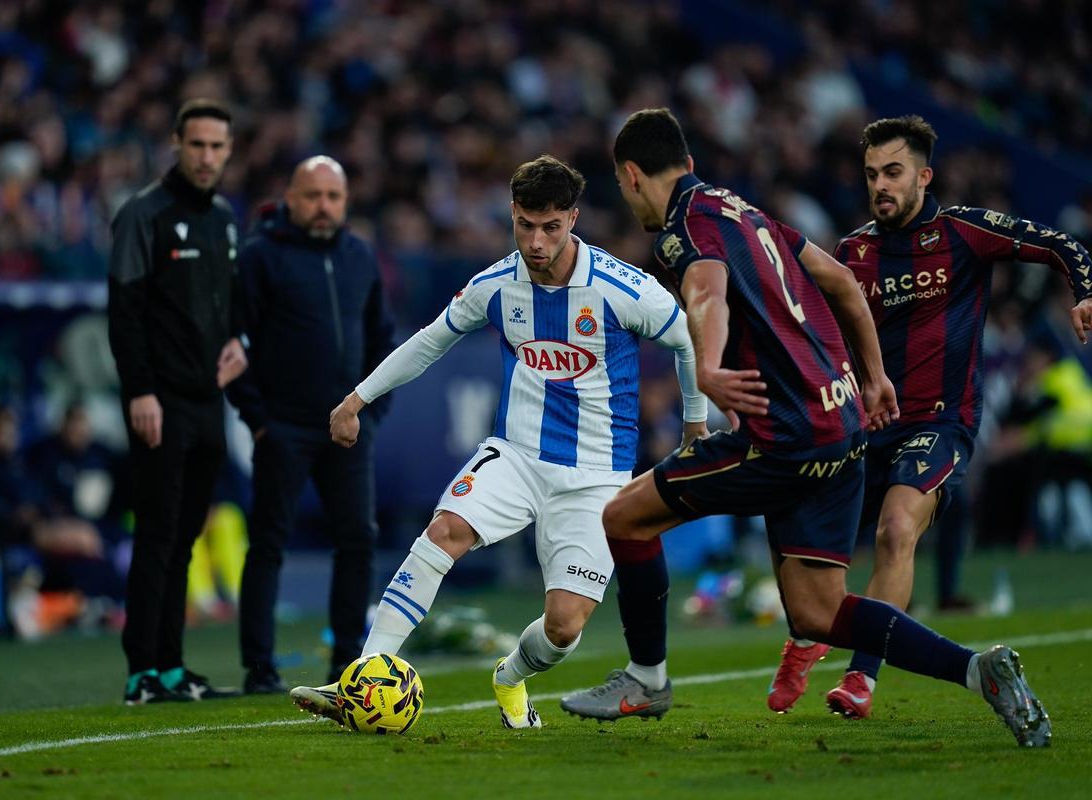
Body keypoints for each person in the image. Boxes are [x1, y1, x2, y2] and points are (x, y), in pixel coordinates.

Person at [558, 108, 1050, 748]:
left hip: (784, 434)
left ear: (630, 177)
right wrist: (875, 378)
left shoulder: (686, 226)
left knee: (624, 516)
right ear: (690, 164)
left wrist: (706, 367)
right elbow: (841, 280)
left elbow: (705, 289)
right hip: (843, 425)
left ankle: (646, 679)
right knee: (817, 612)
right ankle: (975, 669)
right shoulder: (743, 211)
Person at [290, 154, 709, 729]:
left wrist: (693, 425)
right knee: (443, 532)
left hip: (596, 477)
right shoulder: (495, 286)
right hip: (515, 455)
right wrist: (357, 398)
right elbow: (428, 341)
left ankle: (509, 677)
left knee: (564, 627)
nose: (537, 242)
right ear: (512, 216)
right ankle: (361, 678)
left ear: (573, 219)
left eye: (551, 227)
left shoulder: (620, 288)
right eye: (526, 225)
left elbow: (689, 339)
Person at [767, 115, 1092, 719]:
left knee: (896, 531)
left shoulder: (964, 232)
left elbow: (1058, 243)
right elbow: (825, 341)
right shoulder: (853, 252)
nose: (880, 186)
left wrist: (1084, 290)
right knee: (794, 532)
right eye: (871, 175)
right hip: (866, 426)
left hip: (940, 424)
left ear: (924, 175)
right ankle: (807, 635)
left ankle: (862, 676)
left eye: (893, 172)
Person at [225, 155, 395, 693]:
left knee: (357, 542)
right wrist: (258, 420)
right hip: (285, 427)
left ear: (346, 202)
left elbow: (382, 340)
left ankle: (347, 663)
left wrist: (372, 411)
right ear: (291, 198)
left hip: (347, 427)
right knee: (269, 542)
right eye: (313, 195)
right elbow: (230, 345)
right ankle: (259, 667)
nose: (324, 206)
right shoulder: (259, 258)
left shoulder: (359, 257)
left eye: (334, 197)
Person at [108, 98, 249, 705]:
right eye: (197, 145)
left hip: (206, 404)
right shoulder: (143, 214)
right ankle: (143, 669)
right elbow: (125, 309)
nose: (207, 156)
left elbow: (231, 307)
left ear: (229, 151)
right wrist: (139, 388)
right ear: (175, 143)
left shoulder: (223, 218)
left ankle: (171, 667)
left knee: (187, 536)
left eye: (217, 146)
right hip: (158, 399)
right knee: (158, 534)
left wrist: (241, 341)